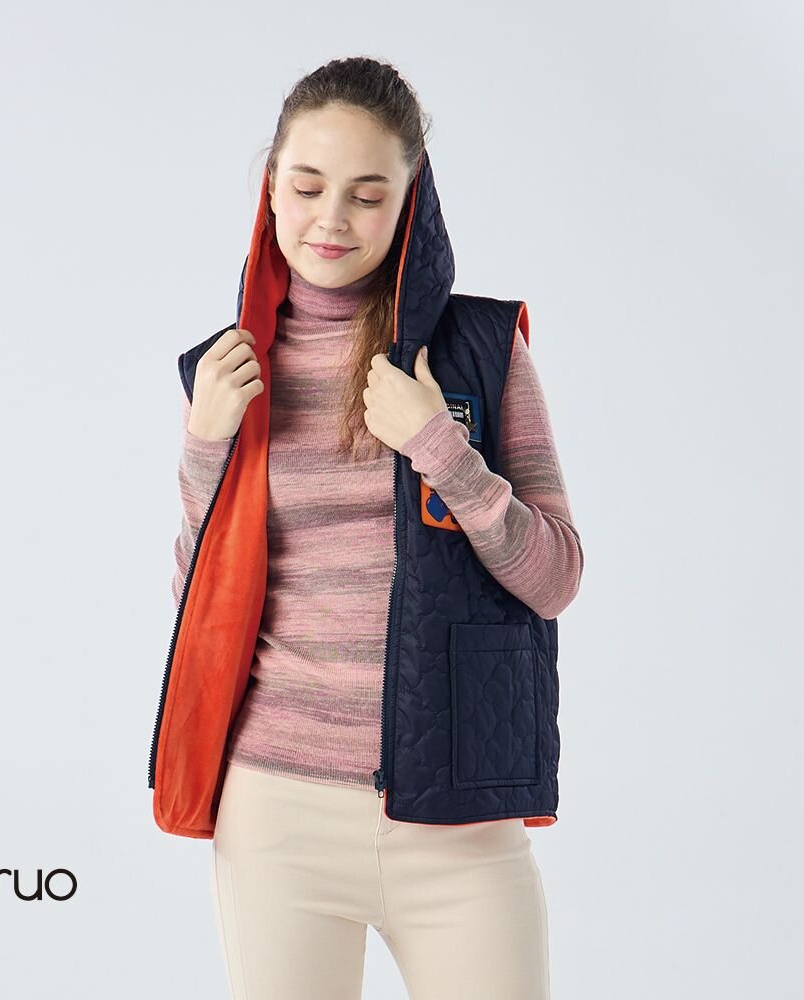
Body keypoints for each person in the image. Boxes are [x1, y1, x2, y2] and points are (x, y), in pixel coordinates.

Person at [154, 56, 584, 1000]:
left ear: (410, 201)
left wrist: (438, 444)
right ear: (271, 187)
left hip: (458, 818)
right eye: (308, 187)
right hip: (276, 815)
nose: (332, 219)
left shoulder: (480, 351)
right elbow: (200, 602)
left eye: (367, 194)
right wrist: (203, 447)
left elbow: (554, 577)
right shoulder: (227, 372)